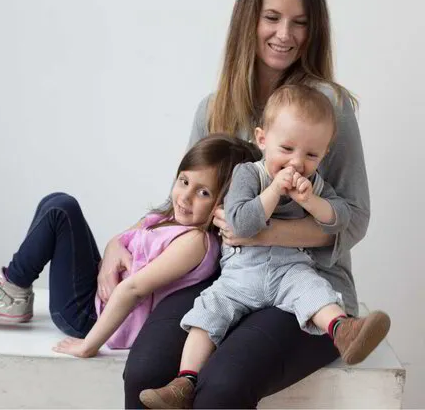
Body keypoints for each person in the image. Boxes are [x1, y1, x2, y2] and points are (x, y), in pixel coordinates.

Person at [122, 0, 373, 409]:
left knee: (222, 386)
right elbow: (185, 204)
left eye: (299, 22)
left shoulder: (329, 106)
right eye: (272, 18)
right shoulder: (214, 109)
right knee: (144, 372)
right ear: (248, 20)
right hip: (226, 279)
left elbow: (354, 219)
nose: (285, 34)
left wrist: (263, 230)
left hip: (306, 286)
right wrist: (119, 244)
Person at [139, 84, 390, 409]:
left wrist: (311, 200)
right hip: (240, 276)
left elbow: (341, 218)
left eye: (311, 155)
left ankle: (344, 330)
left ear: (323, 155)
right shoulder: (248, 174)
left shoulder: (313, 185)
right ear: (262, 140)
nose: (297, 162)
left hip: (288, 270)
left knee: (313, 291)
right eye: (286, 149)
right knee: (207, 314)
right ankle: (185, 381)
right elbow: (242, 222)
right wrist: (274, 192)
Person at [0, 135, 261, 356]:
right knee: (55, 202)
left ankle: (12, 288)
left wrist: (90, 345)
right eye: (184, 181)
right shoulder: (166, 218)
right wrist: (111, 256)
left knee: (62, 210)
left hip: (89, 317)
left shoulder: (194, 242)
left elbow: (134, 289)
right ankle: (14, 289)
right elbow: (119, 240)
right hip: (96, 297)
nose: (186, 196)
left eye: (204, 193)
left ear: (225, 203)